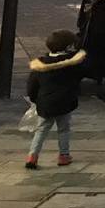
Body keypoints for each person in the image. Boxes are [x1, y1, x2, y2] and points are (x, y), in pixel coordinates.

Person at [25, 30, 87, 169]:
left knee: (41, 130)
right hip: (65, 102)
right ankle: (64, 156)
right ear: (67, 46)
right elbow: (81, 75)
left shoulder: (40, 65)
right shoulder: (72, 63)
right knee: (63, 129)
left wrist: (35, 100)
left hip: (45, 103)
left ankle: (32, 156)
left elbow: (32, 86)